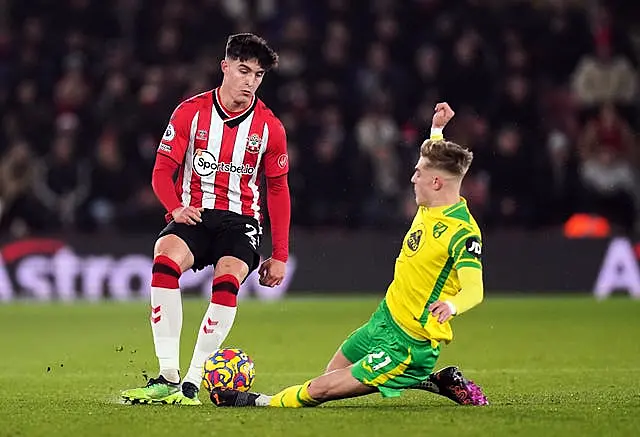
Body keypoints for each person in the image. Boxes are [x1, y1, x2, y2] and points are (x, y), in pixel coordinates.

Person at [209, 103, 489, 408]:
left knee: (320, 390)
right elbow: (436, 159)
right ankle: (433, 380)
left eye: (418, 174)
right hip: (385, 319)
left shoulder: (462, 232)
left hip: (409, 343)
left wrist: (452, 304)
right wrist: (437, 127)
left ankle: (255, 401)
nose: (412, 179)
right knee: (331, 374)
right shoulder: (430, 204)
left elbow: (474, 289)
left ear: (436, 183)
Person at [121, 33, 290, 406]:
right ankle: (167, 375)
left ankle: (193, 380)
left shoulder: (269, 127)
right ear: (225, 67)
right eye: (244, 71)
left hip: (241, 222)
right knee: (164, 257)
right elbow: (162, 171)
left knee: (227, 281)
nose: (250, 82)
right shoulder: (190, 112)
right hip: (195, 214)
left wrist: (279, 252)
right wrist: (174, 208)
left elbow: (278, 190)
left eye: (258, 75)